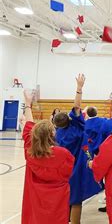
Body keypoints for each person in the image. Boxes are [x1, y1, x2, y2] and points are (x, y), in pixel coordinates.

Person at [53, 74, 101, 224]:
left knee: (65, 197)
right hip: (77, 167)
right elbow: (77, 106)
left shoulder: (57, 135)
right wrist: (79, 88)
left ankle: (64, 219)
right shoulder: (76, 126)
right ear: (70, 119)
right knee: (76, 199)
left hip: (62, 169)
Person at [21, 90, 74, 224]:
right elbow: (69, 173)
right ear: (52, 134)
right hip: (58, 200)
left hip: (35, 198)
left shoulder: (30, 151)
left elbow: (28, 127)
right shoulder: (63, 154)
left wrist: (28, 104)